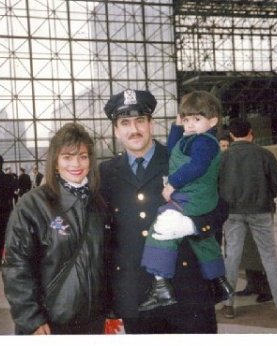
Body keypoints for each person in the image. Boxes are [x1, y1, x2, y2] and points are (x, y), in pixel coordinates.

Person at [100, 88, 218, 334]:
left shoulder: (183, 155)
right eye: (125, 123)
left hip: (188, 291)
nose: (134, 129)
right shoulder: (105, 174)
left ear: (150, 124)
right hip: (136, 297)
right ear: (116, 130)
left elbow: (224, 206)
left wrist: (194, 226)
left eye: (140, 120)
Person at [2, 123, 108, 335]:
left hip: (93, 321)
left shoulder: (98, 203)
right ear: (55, 163)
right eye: (67, 157)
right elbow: (16, 266)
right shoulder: (32, 205)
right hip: (50, 323)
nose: (76, 164)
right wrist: (30, 319)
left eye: (83, 156)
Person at [138, 90, 234, 312]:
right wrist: (177, 125)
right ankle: (219, 281)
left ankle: (160, 285)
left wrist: (172, 183)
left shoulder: (204, 142)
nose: (190, 125)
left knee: (160, 229)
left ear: (213, 121)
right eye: (187, 119)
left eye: (197, 119)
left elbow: (196, 166)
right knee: (201, 239)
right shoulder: (192, 139)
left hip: (192, 198)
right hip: (199, 199)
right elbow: (174, 150)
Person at [219, 118, 277, 320]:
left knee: (232, 257)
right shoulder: (264, 154)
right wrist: (266, 196)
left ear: (231, 135)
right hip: (260, 211)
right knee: (269, 256)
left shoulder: (223, 158)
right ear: (251, 133)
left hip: (232, 212)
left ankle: (228, 305)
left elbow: (215, 184)